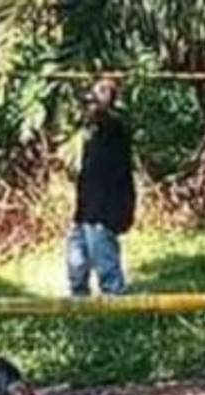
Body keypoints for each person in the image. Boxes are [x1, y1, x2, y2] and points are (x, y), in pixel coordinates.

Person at [68, 78, 136, 297]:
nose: (90, 107)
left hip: (105, 209)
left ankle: (115, 304)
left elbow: (106, 118)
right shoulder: (93, 131)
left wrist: (103, 101)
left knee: (105, 263)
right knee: (76, 263)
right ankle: (79, 303)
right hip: (86, 208)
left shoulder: (115, 128)